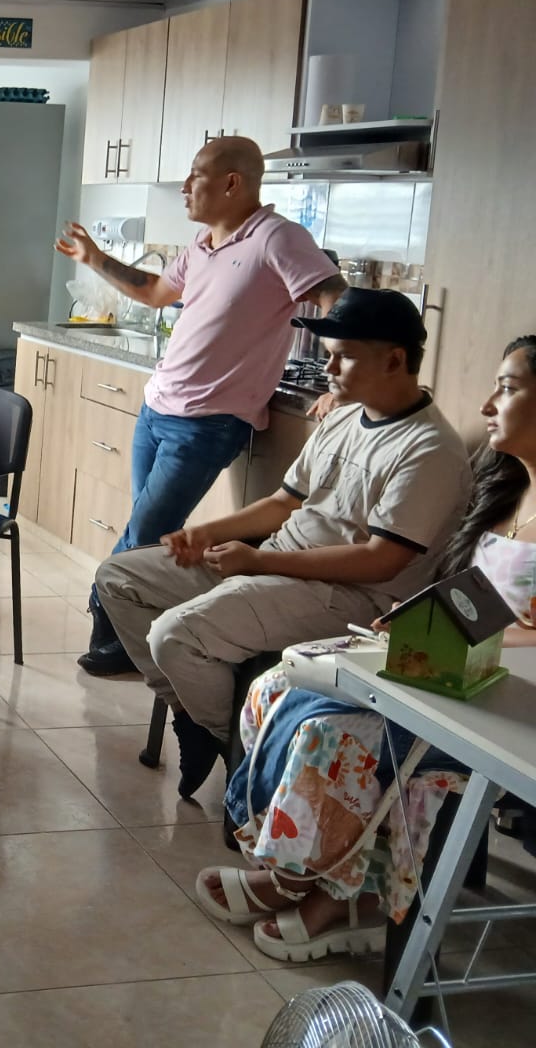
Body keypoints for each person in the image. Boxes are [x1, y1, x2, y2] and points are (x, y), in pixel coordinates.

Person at [195, 336, 536, 963]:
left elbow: (518, 636)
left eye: (508, 388)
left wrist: (439, 636)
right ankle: (320, 880)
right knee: (280, 685)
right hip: (445, 667)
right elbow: (470, 599)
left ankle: (314, 887)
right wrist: (418, 624)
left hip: (501, 706)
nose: (489, 403)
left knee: (336, 736)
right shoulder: (506, 492)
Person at [95, 288, 471, 796]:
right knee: (118, 577)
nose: (329, 367)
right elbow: (283, 502)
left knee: (173, 635)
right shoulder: (342, 416)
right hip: (276, 562)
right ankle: (200, 720)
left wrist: (257, 560)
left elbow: (381, 561)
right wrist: (206, 532)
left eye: (344, 356)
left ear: (395, 360)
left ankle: (245, 753)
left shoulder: (430, 449)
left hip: (350, 598)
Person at [54, 136, 346, 677]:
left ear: (233, 182)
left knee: (143, 533)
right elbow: (156, 292)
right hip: (158, 407)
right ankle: (129, 629)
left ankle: (116, 633)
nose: (185, 187)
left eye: (195, 176)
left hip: (209, 423)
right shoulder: (204, 242)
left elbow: (335, 297)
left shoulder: (278, 238)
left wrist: (344, 382)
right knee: (145, 531)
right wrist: (95, 258)